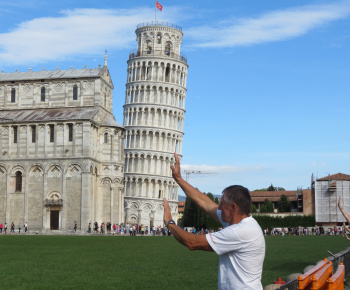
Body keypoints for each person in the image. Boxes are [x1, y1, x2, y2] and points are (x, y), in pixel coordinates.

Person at [163, 153, 265, 290]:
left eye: (222, 204)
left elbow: (192, 242)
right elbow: (204, 202)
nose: (219, 208)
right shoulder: (242, 223)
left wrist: (169, 223)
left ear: (233, 207)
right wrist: (179, 179)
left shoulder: (239, 232)